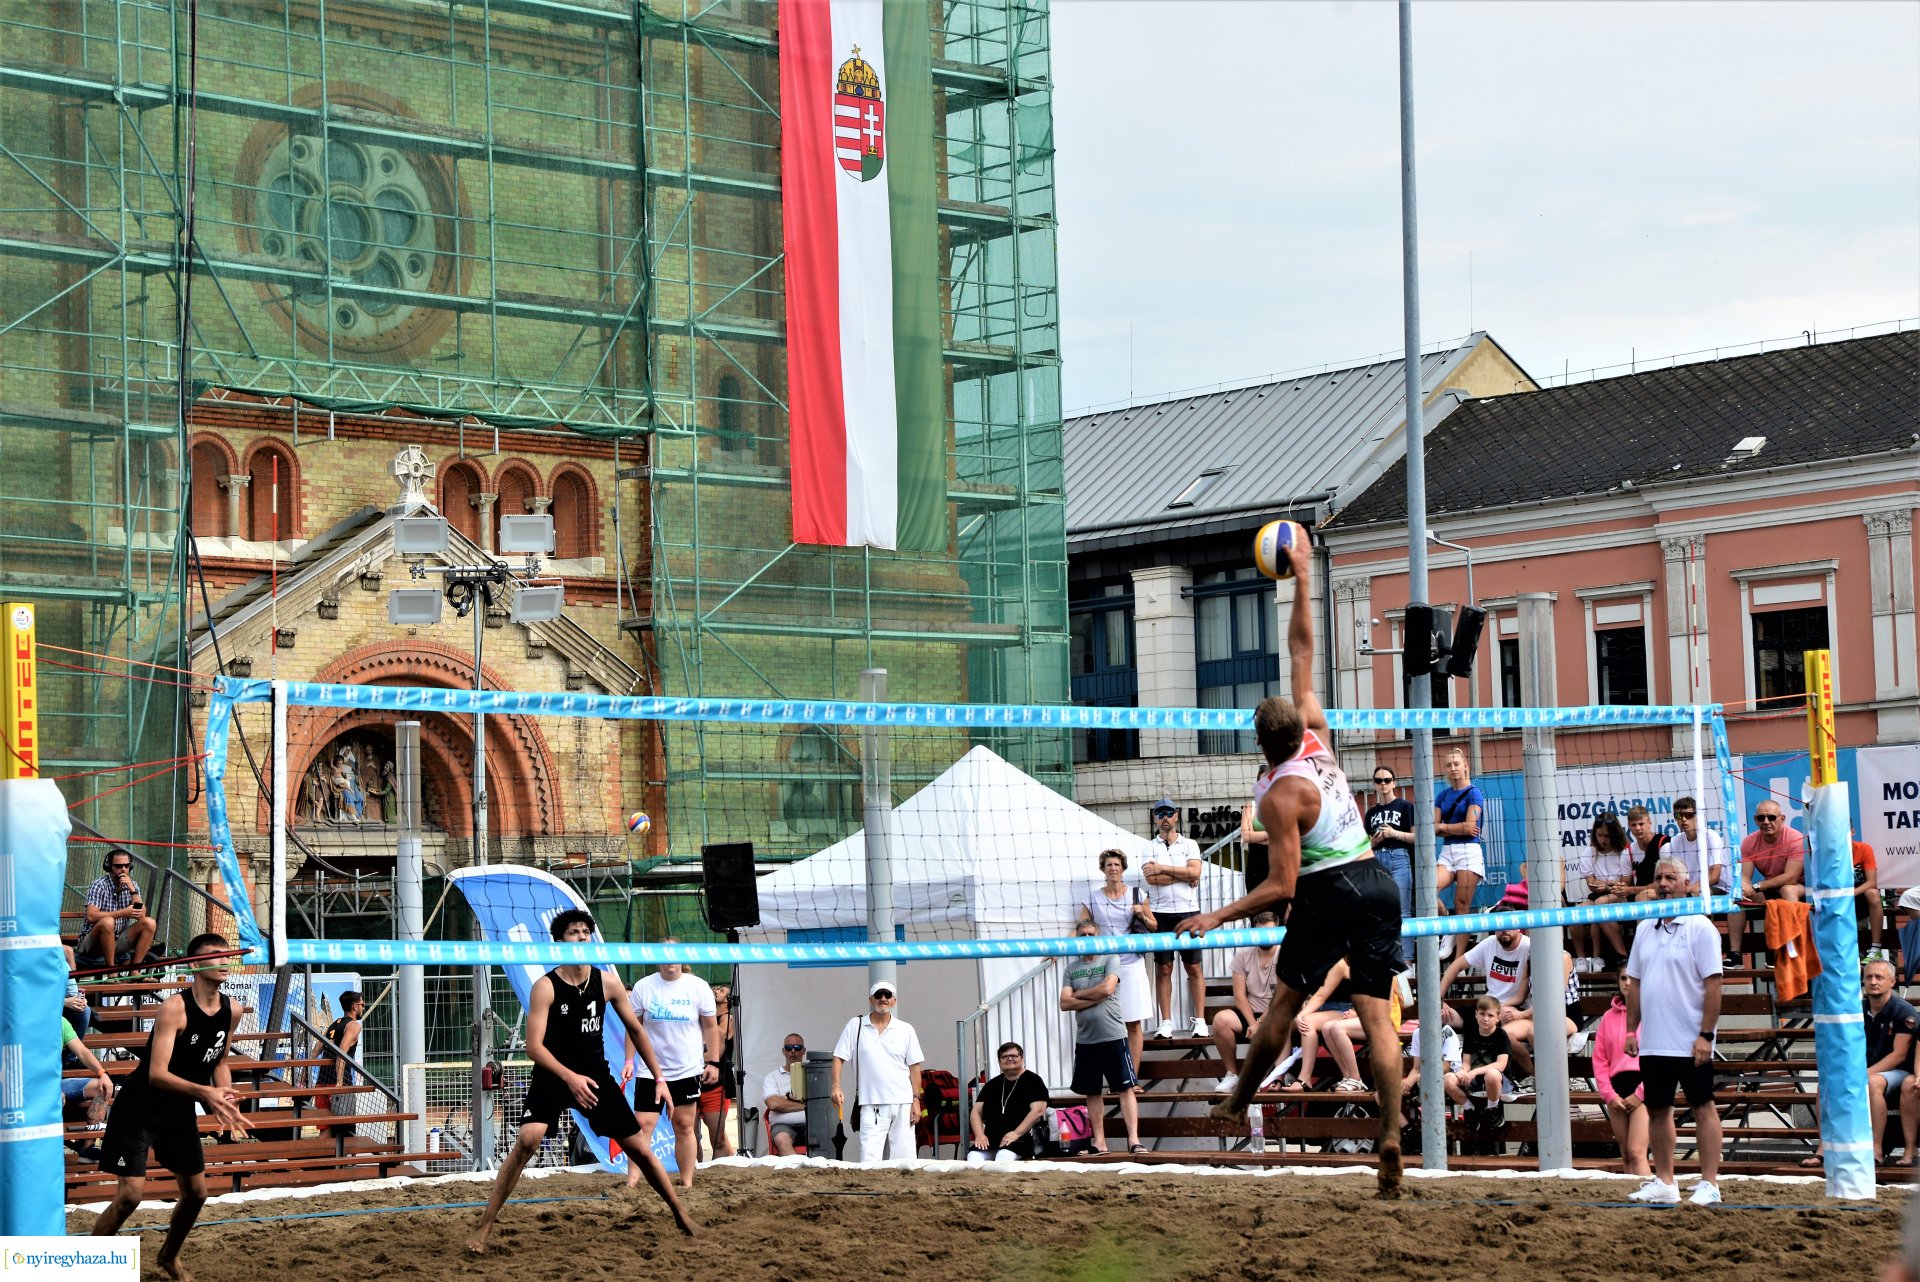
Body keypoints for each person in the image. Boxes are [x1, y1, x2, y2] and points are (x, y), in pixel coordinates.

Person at [1182, 530, 1406, 1199]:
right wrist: (1301, 577)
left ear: (1259, 741)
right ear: (1297, 728)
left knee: (1283, 998)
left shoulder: (1282, 795)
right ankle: (1391, 1133)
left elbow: (1281, 884)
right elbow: (1302, 648)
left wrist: (1215, 915)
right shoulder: (1315, 732)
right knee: (1374, 1015)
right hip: (1378, 880)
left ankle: (1233, 1101)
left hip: (1330, 885)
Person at [469, 910, 692, 1251]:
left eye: (586, 932)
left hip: (595, 1076)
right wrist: (570, 1078)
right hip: (554, 1074)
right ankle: (485, 1227)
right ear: (560, 941)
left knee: (641, 1151)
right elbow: (534, 1048)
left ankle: (680, 1213)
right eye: (574, 932)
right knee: (528, 1141)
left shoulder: (607, 983)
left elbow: (636, 1030)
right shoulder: (545, 986)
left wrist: (659, 1077)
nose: (582, 937)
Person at [91, 933, 252, 1278]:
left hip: (179, 1110)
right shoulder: (175, 1008)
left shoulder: (232, 1009)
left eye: (227, 955)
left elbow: (220, 1062)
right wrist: (205, 1094)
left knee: (196, 1194)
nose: (224, 961)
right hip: (139, 1108)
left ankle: (168, 1257)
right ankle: (86, 1267)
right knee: (130, 1197)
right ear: (195, 965)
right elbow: (157, 1075)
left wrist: (226, 1096)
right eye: (215, 955)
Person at [1623, 855, 1725, 1206]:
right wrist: (1630, 1031)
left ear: (1685, 884)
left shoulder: (1700, 926)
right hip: (1654, 1040)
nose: (1663, 883)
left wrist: (1706, 1035)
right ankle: (1665, 1181)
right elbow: (1634, 984)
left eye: (1670, 878)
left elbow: (1714, 985)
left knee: (1702, 1106)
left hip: (1691, 1038)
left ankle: (1709, 1183)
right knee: (1657, 1110)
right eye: (1658, 878)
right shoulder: (1644, 927)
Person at [630, 944, 721, 1189]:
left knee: (683, 1125)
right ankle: (632, 1182)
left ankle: (687, 1182)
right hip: (650, 1070)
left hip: (686, 1069)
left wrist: (713, 1062)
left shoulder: (697, 986)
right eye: (664, 955)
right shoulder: (643, 987)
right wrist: (630, 1061)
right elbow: (634, 1028)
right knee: (642, 1126)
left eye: (674, 955)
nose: (670, 960)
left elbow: (711, 1027)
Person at [1808, 958, 1914, 1167]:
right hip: (1864, 1069)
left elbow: (1899, 1055)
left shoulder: (1904, 1011)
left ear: (1892, 981)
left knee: (1872, 1083)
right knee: (1826, 1083)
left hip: (1898, 1072)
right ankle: (1824, 1146)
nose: (1873, 982)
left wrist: (1863, 1074)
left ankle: (1876, 1149)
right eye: (1868, 977)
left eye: (1879, 977)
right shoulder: (1856, 1009)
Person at [1061, 920, 1142, 1155]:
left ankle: (1134, 1141)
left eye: (1090, 934)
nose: (1087, 938)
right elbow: (1064, 1003)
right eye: (1082, 935)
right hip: (1086, 1040)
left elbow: (1107, 989)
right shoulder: (1071, 968)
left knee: (1125, 1089)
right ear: (1077, 938)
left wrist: (1080, 995)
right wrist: (1093, 996)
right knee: (1092, 1092)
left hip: (1113, 1035)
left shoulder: (1110, 959)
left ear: (1098, 936)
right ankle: (1099, 1142)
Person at [1077, 848, 1155, 1068]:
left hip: (1132, 964)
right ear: (1103, 869)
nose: (1113, 868)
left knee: (1133, 1023)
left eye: (1116, 865)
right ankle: (1116, 1076)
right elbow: (1081, 927)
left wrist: (1141, 913)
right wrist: (1058, 949)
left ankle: (1132, 1077)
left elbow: (1154, 925)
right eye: (1109, 865)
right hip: (1106, 965)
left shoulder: (1138, 894)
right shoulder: (1093, 897)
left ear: (1123, 868)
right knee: (1108, 1024)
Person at [831, 981, 925, 1164]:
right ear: (871, 1000)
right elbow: (838, 1057)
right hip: (870, 1102)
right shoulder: (855, 1025)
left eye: (887, 995)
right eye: (879, 995)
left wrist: (916, 1100)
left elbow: (915, 1068)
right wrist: (836, 1086)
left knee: (905, 1159)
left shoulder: (906, 1029)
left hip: (902, 1102)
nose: (883, 998)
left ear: (894, 1001)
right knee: (869, 1157)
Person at [1142, 798, 1206, 1040]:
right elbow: (1152, 880)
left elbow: (1196, 873)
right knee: (1164, 968)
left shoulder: (1189, 844)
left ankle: (1199, 1021)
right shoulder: (1149, 847)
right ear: (1155, 817)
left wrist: (1162, 868)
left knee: (1194, 967)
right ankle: (1166, 1022)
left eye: (1169, 812)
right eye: (1160, 813)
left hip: (1188, 911)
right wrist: (1184, 874)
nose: (1165, 817)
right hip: (1161, 912)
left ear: (1177, 816)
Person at [1728, 799, 1805, 963]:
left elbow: (1791, 877)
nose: (1766, 822)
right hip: (1771, 889)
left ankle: (1788, 950)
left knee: (1787, 890)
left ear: (1782, 818)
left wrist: (1755, 887)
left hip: (1801, 888)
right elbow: (1745, 877)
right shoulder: (1749, 841)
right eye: (1761, 818)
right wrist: (1743, 887)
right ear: (1755, 820)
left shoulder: (1795, 838)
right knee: (1737, 897)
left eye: (1771, 817)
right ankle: (1735, 955)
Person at [1211, 911, 1279, 1093]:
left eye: (1270, 931)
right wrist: (1253, 1023)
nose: (1266, 936)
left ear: (1278, 931)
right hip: (1251, 1014)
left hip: (1276, 1013)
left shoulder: (1286, 953)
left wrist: (1260, 1023)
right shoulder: (1243, 953)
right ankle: (1232, 1074)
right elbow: (1239, 996)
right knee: (1221, 1020)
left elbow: (1282, 997)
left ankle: (1278, 1075)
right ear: (1254, 931)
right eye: (1261, 931)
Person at [1282, 958, 1367, 1093]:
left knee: (1307, 1021)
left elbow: (1321, 995)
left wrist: (1300, 1015)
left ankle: (1304, 1079)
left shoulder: (1337, 963)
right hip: (1322, 1010)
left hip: (1344, 1008)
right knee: (1283, 1025)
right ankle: (1279, 1077)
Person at [1593, 977, 1650, 1176]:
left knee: (1637, 1151)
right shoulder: (1608, 1017)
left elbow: (1659, 1059)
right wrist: (1609, 1094)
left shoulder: (1652, 1013)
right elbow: (1599, 1059)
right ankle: (1632, 1200)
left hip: (1643, 1088)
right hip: (1616, 1090)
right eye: (1623, 978)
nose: (1627, 983)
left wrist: (1641, 1093)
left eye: (1633, 979)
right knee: (1625, 1152)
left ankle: (1647, 1193)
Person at [1434, 748, 1487, 957]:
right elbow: (1433, 827)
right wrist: (1457, 827)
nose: (1453, 768)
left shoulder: (1474, 793)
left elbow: (1470, 827)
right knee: (1426, 890)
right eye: (1449, 765)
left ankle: (1459, 960)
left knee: (1462, 905)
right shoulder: (1442, 795)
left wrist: (1444, 827)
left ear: (1466, 765)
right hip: (1448, 851)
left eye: (1456, 764)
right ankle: (1449, 927)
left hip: (1469, 851)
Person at [1365, 766, 1418, 964]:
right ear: (1374, 785)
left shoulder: (1405, 807)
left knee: (1402, 910)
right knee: (1379, 911)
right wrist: (1375, 841)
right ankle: (1384, 959)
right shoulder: (1371, 813)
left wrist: (1394, 833)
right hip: (1377, 858)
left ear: (1394, 782)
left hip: (1399, 857)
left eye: (1387, 780)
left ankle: (1406, 961)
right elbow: (1365, 845)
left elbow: (1417, 837)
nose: (1383, 784)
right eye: (1379, 781)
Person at [967, 1041, 1049, 1164]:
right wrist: (979, 1135)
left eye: (1014, 1056)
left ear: (1022, 1058)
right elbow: (976, 1112)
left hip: (1020, 1140)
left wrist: (1015, 1134)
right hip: (990, 1141)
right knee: (973, 1157)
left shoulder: (1033, 1081)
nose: (1010, 1059)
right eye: (1005, 1057)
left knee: (1003, 1158)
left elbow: (1038, 1111)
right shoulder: (992, 1085)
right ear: (999, 1061)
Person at [83, 847, 157, 968]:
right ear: (109, 867)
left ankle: (135, 970)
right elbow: (91, 916)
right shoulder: (99, 885)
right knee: (108, 922)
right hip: (93, 943)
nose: (123, 869)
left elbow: (142, 915)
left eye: (126, 866)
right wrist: (123, 913)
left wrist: (132, 890)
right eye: (118, 866)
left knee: (150, 923)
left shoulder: (132, 885)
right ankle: (111, 971)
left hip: (118, 941)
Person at [1584, 812, 1638, 968]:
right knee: (1585, 910)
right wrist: (1606, 885)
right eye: (1599, 835)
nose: (1602, 840)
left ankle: (1623, 955)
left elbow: (1625, 884)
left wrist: (1607, 885)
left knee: (1600, 904)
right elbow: (1591, 883)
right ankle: (1593, 958)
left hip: (1620, 895)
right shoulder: (1590, 852)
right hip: (1597, 895)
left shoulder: (1624, 851)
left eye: (1606, 836)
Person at [61, 1013, 114, 1162]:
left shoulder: (60, 1022)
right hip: (35, 1085)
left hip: (57, 1082)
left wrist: (102, 1073)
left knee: (102, 1086)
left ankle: (88, 1147)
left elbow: (82, 1051)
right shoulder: (28, 1023)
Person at [314, 989, 365, 1137]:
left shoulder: (333, 1025)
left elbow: (315, 1052)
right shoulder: (354, 1026)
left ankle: (321, 1160)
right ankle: (344, 1161)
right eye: (362, 1004)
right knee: (346, 1132)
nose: (363, 1008)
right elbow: (341, 1054)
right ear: (355, 1006)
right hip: (339, 1085)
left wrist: (304, 1076)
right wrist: (340, 1082)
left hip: (321, 1084)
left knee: (326, 1130)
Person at [697, 982, 737, 1160]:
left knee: (718, 1138)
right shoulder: (702, 1018)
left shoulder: (727, 1020)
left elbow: (717, 1046)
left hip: (716, 1084)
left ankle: (722, 1166)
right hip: (692, 1082)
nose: (715, 991)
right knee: (691, 1136)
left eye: (721, 990)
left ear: (728, 1000)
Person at [1664, 796, 1730, 899]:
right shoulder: (1675, 841)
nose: (1684, 819)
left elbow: (1714, 876)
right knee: (1650, 896)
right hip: (1689, 888)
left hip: (1719, 889)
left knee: (1698, 891)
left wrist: (1687, 889)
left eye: (1688, 815)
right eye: (1679, 815)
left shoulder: (1711, 837)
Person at [763, 1032, 809, 1156]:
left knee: (825, 1137)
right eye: (789, 1048)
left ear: (804, 1051)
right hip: (783, 1126)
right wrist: (805, 1105)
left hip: (811, 1123)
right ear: (783, 1051)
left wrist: (784, 1100)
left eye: (797, 1047)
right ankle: (798, 1172)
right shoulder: (772, 1076)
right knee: (782, 1140)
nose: (793, 1051)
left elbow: (821, 1102)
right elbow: (773, 1104)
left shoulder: (812, 1074)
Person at [1854, 829, 1887, 958]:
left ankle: (1876, 948)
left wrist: (1852, 892)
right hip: (1839, 897)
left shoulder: (1863, 848)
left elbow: (1872, 882)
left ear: (1852, 832)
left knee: (1873, 893)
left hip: (1860, 895)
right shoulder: (1830, 852)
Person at [1625, 805, 1669, 888]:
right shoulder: (1628, 851)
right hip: (1637, 895)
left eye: (1641, 824)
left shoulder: (1663, 844)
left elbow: (1666, 883)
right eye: (1633, 825)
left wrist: (1631, 890)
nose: (1638, 828)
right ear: (1629, 826)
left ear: (1650, 823)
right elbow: (1626, 885)